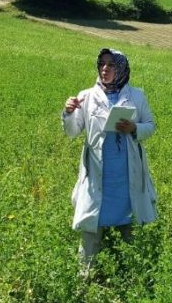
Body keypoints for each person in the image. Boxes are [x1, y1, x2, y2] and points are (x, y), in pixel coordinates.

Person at [62, 47, 157, 277]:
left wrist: (135, 128)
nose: (105, 69)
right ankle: (87, 277)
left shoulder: (137, 96)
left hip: (126, 174)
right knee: (92, 226)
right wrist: (68, 113)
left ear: (121, 68)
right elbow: (73, 132)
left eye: (111, 64)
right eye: (101, 64)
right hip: (98, 173)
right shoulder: (86, 96)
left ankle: (132, 276)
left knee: (129, 224)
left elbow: (151, 125)